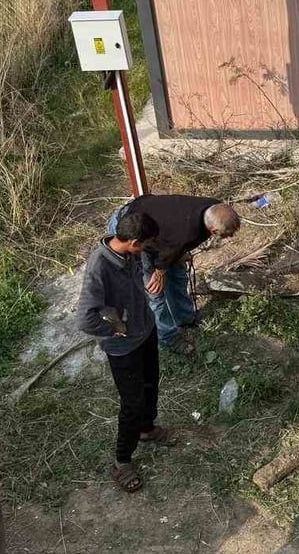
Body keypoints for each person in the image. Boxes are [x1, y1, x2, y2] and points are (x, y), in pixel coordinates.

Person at [77, 211, 171, 492]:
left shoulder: (130, 252)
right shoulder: (99, 267)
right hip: (123, 348)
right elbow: (84, 319)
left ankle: (147, 429)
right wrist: (115, 329)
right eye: (145, 245)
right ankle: (122, 461)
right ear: (132, 241)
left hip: (146, 331)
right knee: (131, 404)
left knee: (151, 383)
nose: (147, 250)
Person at [106, 194, 241, 353]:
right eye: (228, 234)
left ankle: (185, 318)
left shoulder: (214, 209)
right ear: (213, 229)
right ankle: (168, 337)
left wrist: (177, 254)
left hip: (158, 232)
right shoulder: (184, 232)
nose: (230, 237)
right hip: (133, 231)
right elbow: (170, 248)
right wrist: (160, 272)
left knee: (178, 276)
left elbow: (174, 245)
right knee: (155, 292)